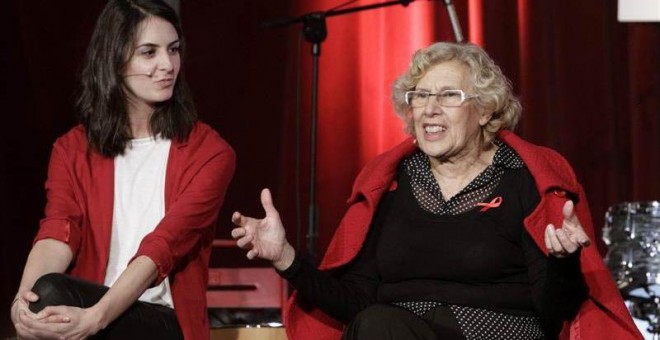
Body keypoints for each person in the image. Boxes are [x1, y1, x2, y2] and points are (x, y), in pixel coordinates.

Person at [231, 42, 641, 339]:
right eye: (421, 96)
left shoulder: (521, 180)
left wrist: (564, 262)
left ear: (485, 111)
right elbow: (354, 301)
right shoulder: (391, 183)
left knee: (379, 325)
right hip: (393, 330)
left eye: (449, 96)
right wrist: (286, 258)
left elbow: (555, 312)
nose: (429, 108)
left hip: (495, 332)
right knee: (375, 323)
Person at [9, 0, 235, 339]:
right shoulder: (72, 149)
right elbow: (59, 230)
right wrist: (22, 304)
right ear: (115, 60)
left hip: (162, 322)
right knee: (44, 296)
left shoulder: (210, 152)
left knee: (55, 299)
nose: (167, 64)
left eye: (173, 50)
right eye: (149, 52)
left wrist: (95, 318)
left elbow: (163, 246)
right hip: (88, 307)